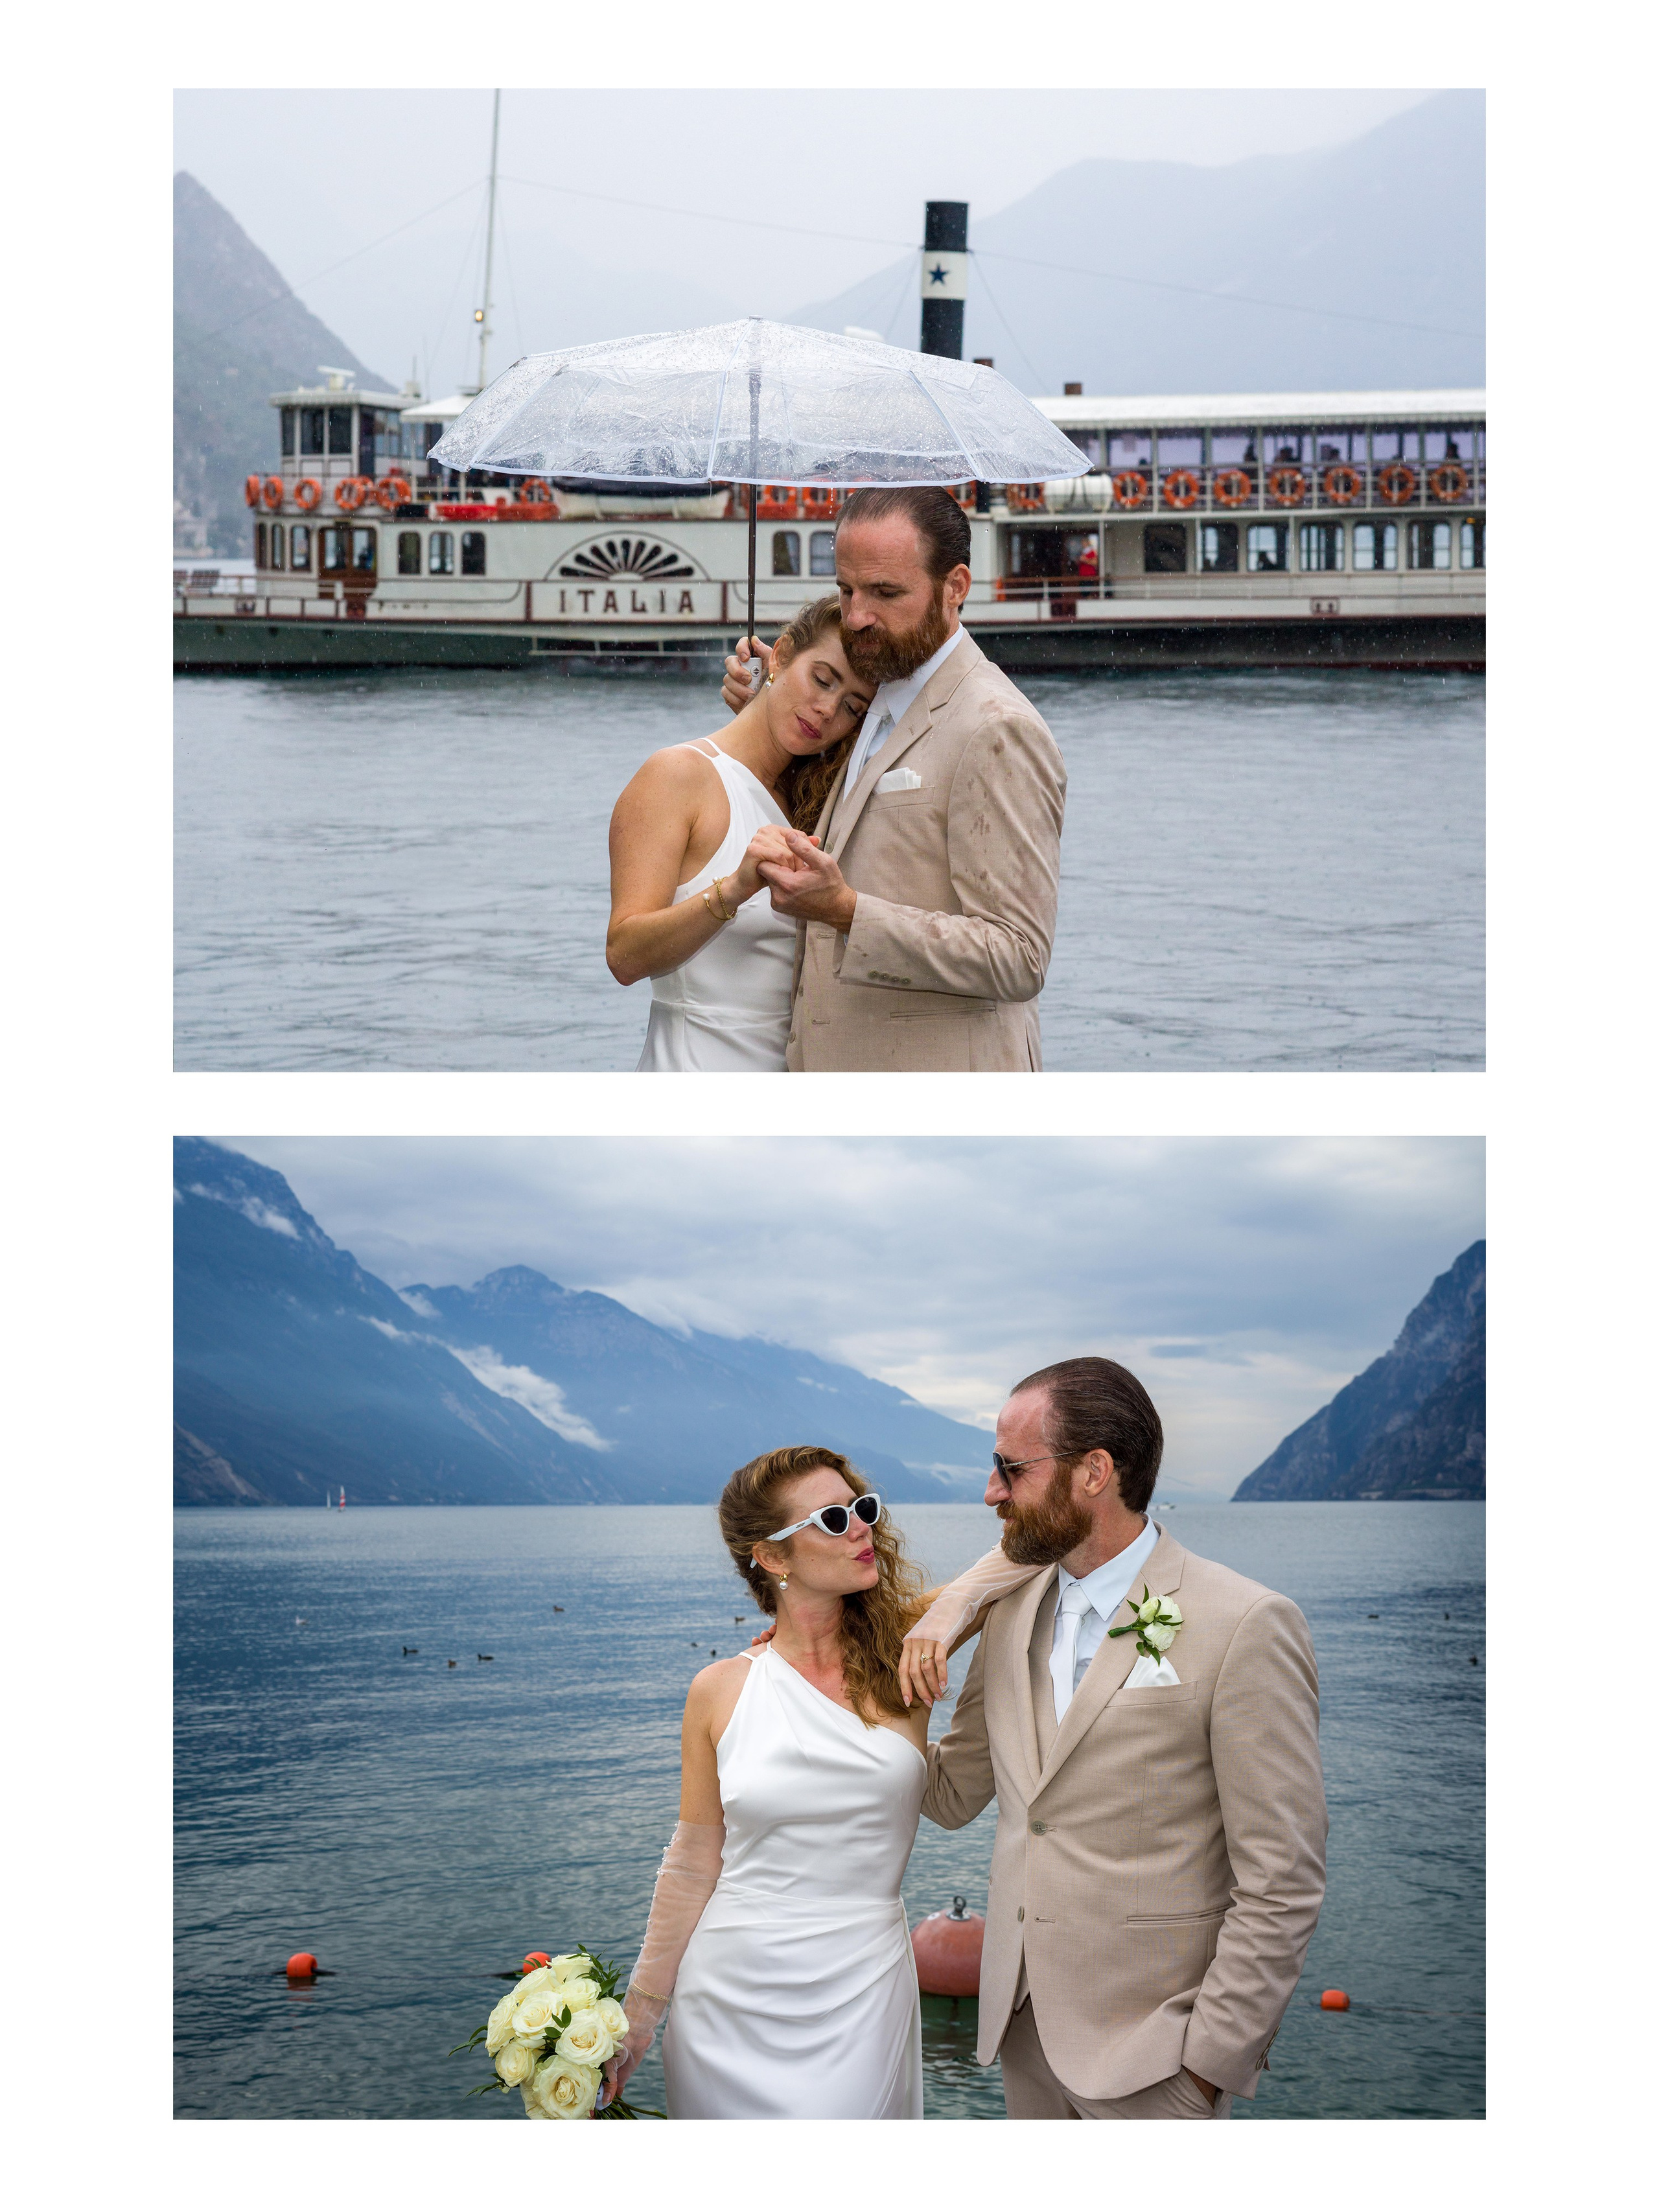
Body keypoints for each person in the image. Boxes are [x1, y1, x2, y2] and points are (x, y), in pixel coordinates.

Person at [898, 1356, 1328, 2119]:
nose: (991, 1490)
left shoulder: (1244, 1621)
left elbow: (1282, 1878)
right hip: (1022, 2035)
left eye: (1010, 1467)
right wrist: (826, 1683)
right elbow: (952, 1793)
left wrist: (1205, 2065)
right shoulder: (1007, 1612)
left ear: (1094, 1471)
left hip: (1156, 2062)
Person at [601, 1449, 936, 2118]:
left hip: (863, 1985)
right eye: (834, 1518)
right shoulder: (718, 1690)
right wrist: (639, 2017)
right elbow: (694, 1861)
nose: (861, 1528)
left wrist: (950, 1615)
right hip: (728, 1998)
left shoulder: (907, 1655)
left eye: (863, 1508)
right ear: (774, 1557)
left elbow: (1018, 1561)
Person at [719, 485, 1066, 1072]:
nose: (856, 616)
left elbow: (1019, 957)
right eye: (846, 589)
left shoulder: (997, 728)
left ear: (955, 587)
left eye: (885, 592)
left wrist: (849, 912)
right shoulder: (876, 694)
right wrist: (767, 712)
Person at [607, 598, 872, 1071]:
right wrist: (733, 889)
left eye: (852, 706)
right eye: (822, 678)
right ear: (783, 654)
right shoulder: (678, 774)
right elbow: (625, 955)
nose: (828, 708)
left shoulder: (814, 805)